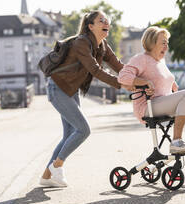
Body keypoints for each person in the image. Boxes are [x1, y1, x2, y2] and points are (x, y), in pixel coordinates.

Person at [40, 10, 146, 187]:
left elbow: (119, 66)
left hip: (70, 90)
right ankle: (57, 165)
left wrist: (138, 76)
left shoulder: (103, 45)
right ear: (91, 26)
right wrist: (121, 84)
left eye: (107, 21)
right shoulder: (81, 42)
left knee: (69, 134)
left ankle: (46, 176)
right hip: (57, 88)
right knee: (83, 130)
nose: (106, 23)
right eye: (101, 20)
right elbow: (95, 70)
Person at [118, 26, 185, 154]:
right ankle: (176, 142)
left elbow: (163, 78)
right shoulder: (141, 59)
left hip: (163, 102)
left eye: (167, 43)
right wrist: (144, 82)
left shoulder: (161, 61)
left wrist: (172, 84)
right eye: (163, 43)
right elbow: (123, 77)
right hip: (147, 106)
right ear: (152, 43)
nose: (166, 46)